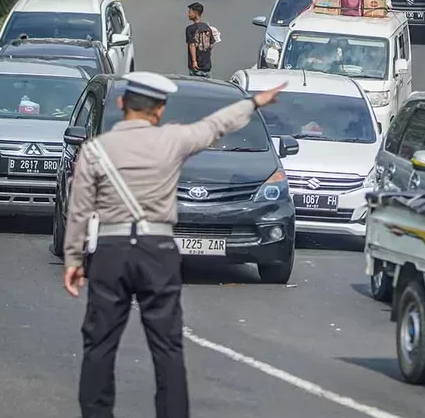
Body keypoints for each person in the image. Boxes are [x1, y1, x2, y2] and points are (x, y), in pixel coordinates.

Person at [62, 72, 287, 418]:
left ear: (123, 105)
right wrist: (253, 102)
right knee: (166, 346)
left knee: (100, 343)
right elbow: (216, 125)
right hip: (157, 250)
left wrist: (74, 258)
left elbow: (79, 208)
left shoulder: (95, 150)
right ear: (160, 110)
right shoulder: (173, 140)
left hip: (110, 249)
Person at [184, 2, 215, 77]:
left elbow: (192, 45)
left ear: (195, 13)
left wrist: (194, 61)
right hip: (207, 65)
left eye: (190, 12)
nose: (188, 14)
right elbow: (211, 45)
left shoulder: (190, 29)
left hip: (196, 66)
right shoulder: (207, 27)